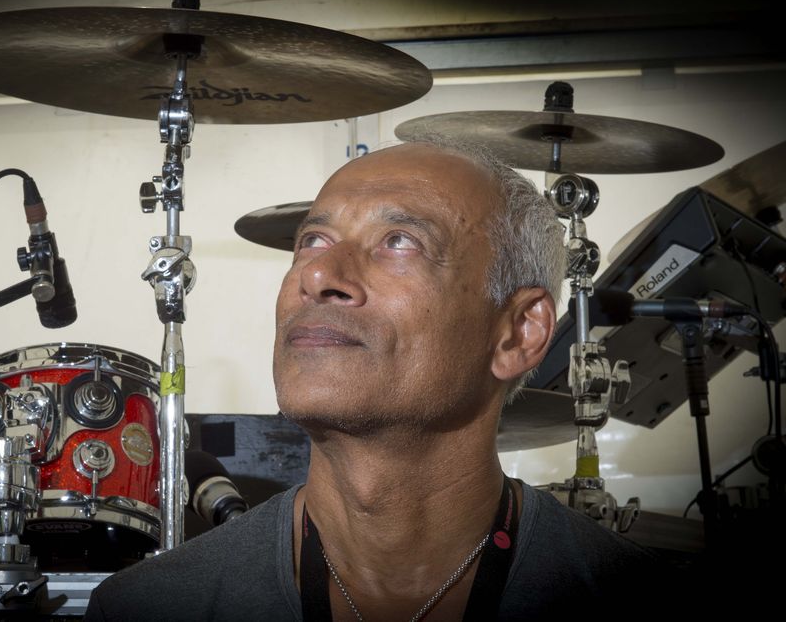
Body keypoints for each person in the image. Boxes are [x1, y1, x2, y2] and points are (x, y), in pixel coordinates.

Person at [85, 142, 660, 621]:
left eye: (400, 242)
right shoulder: (150, 608)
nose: (317, 275)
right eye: (312, 240)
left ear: (517, 332)